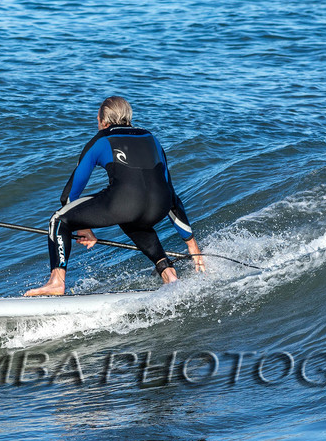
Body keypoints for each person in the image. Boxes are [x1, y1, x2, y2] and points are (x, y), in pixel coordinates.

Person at [23, 96, 205, 296]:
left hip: (124, 202)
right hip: (159, 204)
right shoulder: (152, 138)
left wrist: (83, 227)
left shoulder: (101, 139)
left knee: (59, 219)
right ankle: (169, 275)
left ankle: (56, 281)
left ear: (103, 120)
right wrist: (191, 244)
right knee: (132, 220)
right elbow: (171, 196)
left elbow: (69, 195)